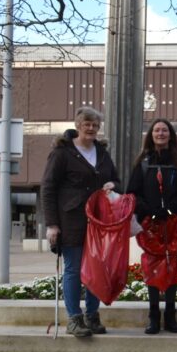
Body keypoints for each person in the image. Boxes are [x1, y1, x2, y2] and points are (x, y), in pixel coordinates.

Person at [41, 106, 120, 338]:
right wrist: (52, 224)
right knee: (74, 269)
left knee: (96, 269)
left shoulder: (102, 153)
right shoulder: (62, 152)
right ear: (78, 125)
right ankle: (74, 319)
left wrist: (113, 185)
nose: (91, 128)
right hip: (71, 220)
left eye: (95, 125)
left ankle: (92, 316)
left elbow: (115, 178)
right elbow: (48, 188)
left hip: (98, 220)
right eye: (87, 124)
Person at [127, 119, 177, 335]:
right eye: (156, 130)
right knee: (152, 270)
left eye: (164, 130)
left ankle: (170, 317)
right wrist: (150, 211)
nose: (160, 133)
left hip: (173, 224)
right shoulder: (142, 162)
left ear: (170, 134)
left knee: (172, 269)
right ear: (151, 135)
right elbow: (133, 192)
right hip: (150, 224)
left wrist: (170, 211)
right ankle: (153, 317)